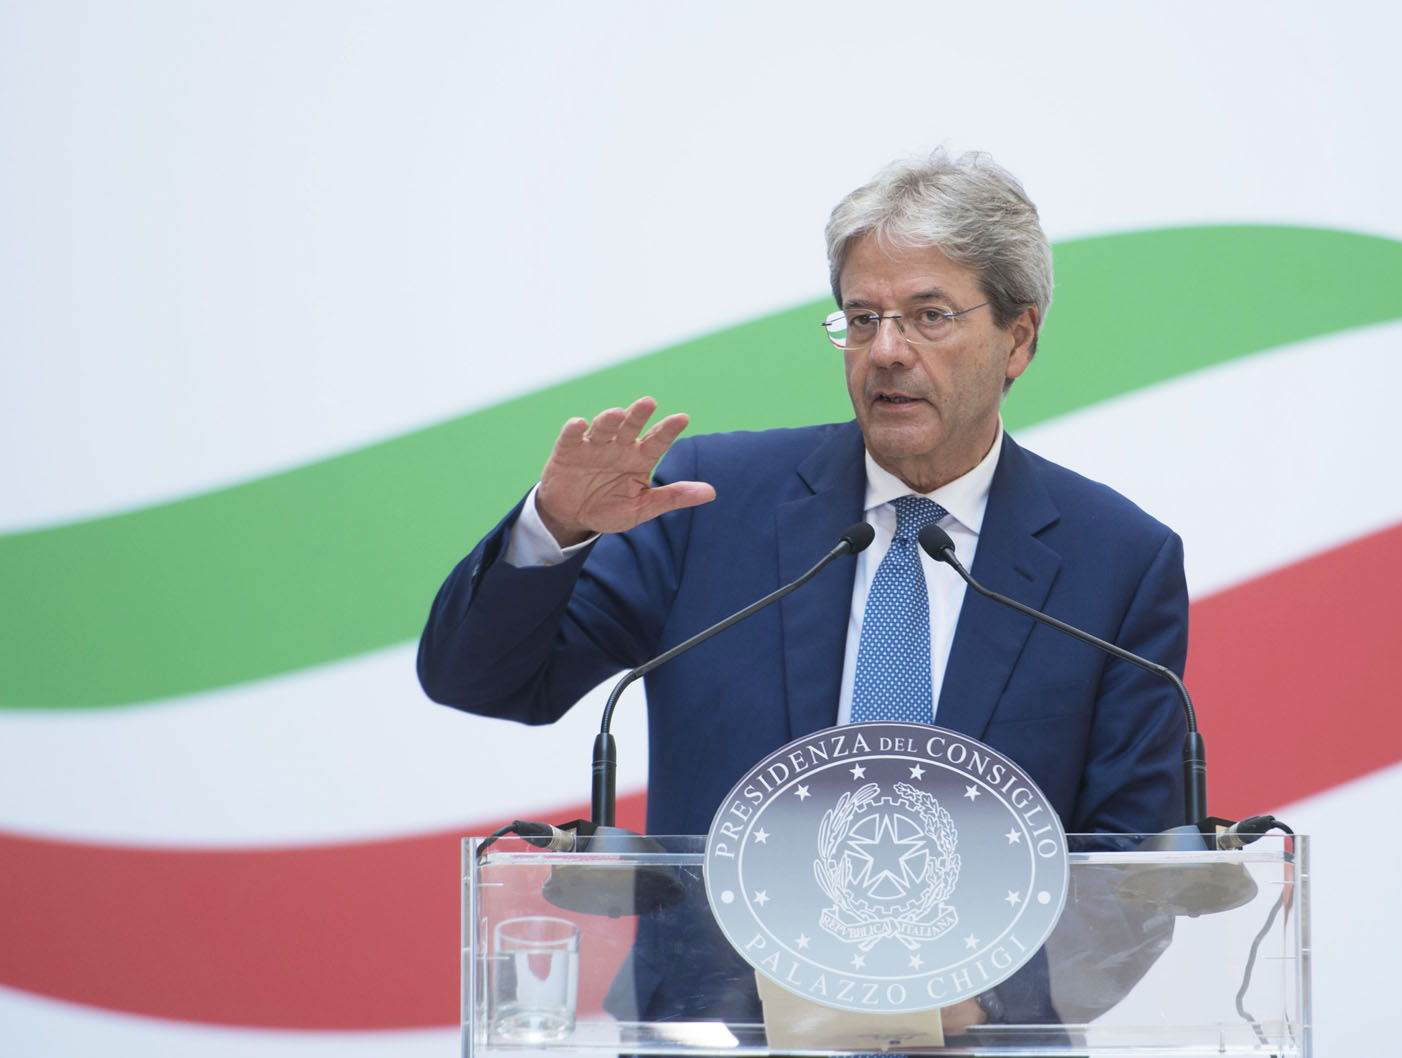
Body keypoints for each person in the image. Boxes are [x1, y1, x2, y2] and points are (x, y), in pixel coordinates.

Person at [417, 149, 1189, 1028]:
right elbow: (485, 681)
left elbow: (1135, 870)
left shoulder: (1114, 561)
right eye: (862, 318)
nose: (886, 352)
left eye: (928, 316)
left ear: (1018, 336)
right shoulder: (710, 501)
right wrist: (553, 529)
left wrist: (962, 1008)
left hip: (974, 1044)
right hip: (709, 1032)